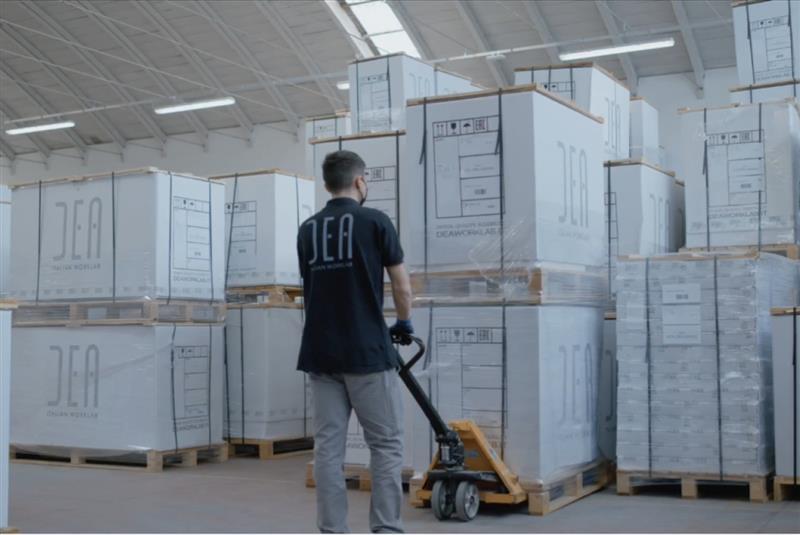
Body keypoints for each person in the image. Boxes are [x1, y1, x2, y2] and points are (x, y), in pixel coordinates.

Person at [297, 150, 414, 534]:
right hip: (367, 353)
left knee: (328, 449)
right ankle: (386, 529)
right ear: (360, 181)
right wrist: (404, 322)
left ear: (327, 184)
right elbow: (401, 286)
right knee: (385, 444)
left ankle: (332, 531)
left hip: (320, 353)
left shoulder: (307, 229)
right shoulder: (376, 221)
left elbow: (312, 287)